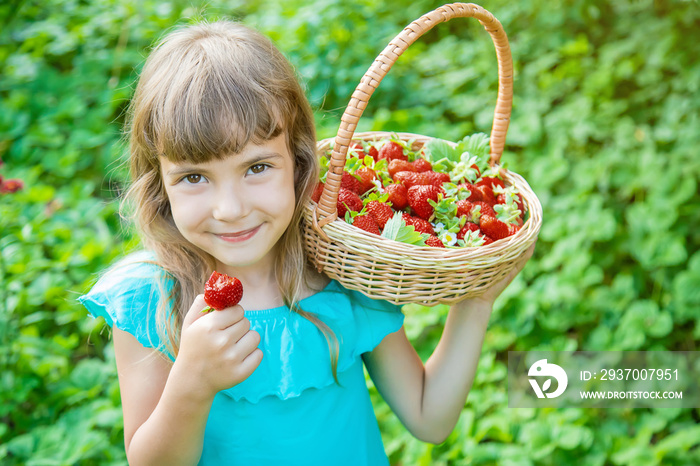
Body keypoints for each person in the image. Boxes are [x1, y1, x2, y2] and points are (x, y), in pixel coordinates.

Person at [78, 19, 535, 466]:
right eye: (194, 177)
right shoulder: (150, 300)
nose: (230, 208)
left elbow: (428, 417)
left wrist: (476, 302)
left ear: (298, 163)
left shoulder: (339, 274)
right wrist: (191, 385)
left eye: (257, 168)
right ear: (159, 184)